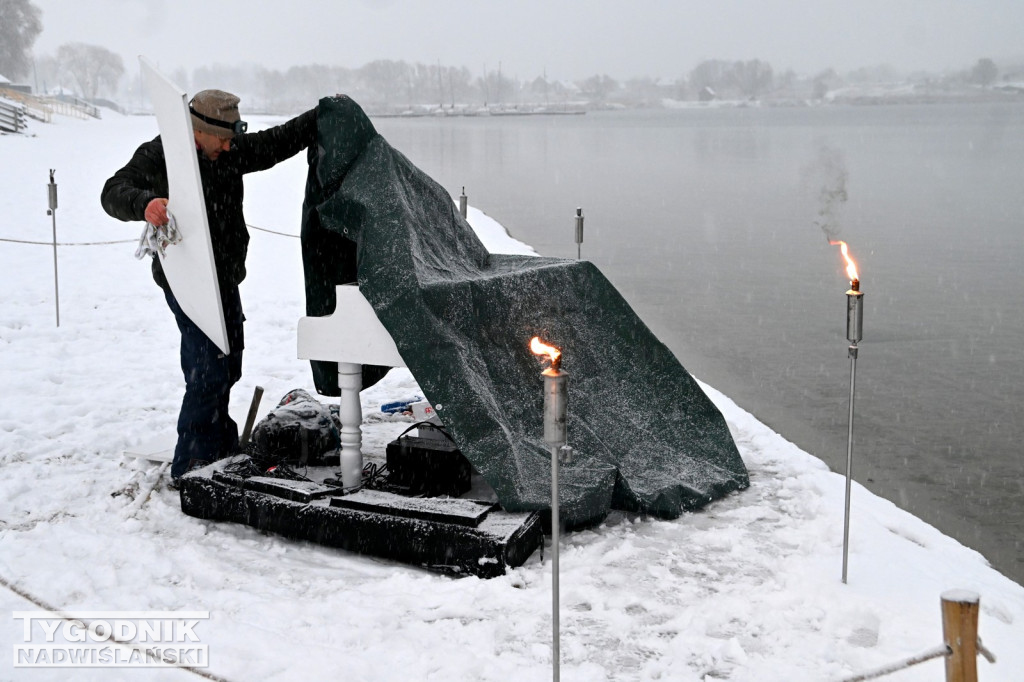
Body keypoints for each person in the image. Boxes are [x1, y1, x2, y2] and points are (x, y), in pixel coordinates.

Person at [101, 89, 318, 485]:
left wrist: (320, 115)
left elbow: (274, 143)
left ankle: (219, 448)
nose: (229, 145)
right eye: (223, 137)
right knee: (206, 369)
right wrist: (144, 203)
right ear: (200, 131)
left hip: (223, 276)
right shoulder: (160, 154)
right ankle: (192, 468)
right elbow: (112, 191)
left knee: (229, 361)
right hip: (184, 278)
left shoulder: (229, 151)